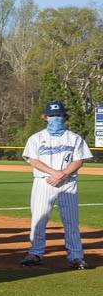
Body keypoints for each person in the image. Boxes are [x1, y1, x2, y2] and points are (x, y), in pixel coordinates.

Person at [21, 100, 93, 270]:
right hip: (43, 182)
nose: (56, 118)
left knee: (71, 222)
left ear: (64, 116)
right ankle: (35, 253)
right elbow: (33, 160)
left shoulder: (74, 138)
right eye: (52, 115)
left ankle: (76, 256)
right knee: (39, 220)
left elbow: (79, 160)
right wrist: (55, 173)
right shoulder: (36, 138)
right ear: (45, 117)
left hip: (67, 183)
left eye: (59, 115)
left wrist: (63, 174)